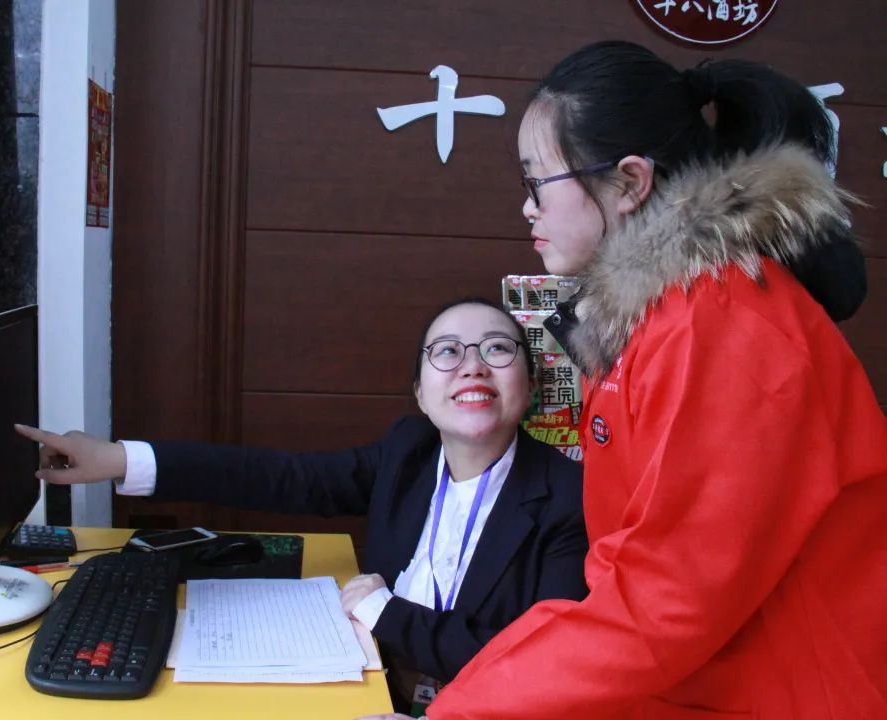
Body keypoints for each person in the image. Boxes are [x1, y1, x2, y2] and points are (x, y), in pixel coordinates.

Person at [361, 40, 887, 720]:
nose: (527, 209)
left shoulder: (722, 324)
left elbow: (668, 598)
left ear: (631, 182)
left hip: (791, 691)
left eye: (537, 182)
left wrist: (456, 713)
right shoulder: (660, 316)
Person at [16, 298, 589, 712]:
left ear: (531, 384)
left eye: (498, 348)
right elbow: (286, 478)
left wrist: (386, 613)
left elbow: (540, 665)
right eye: (447, 352)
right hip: (369, 690)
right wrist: (119, 460)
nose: (472, 365)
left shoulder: (569, 498)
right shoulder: (408, 451)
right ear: (420, 392)